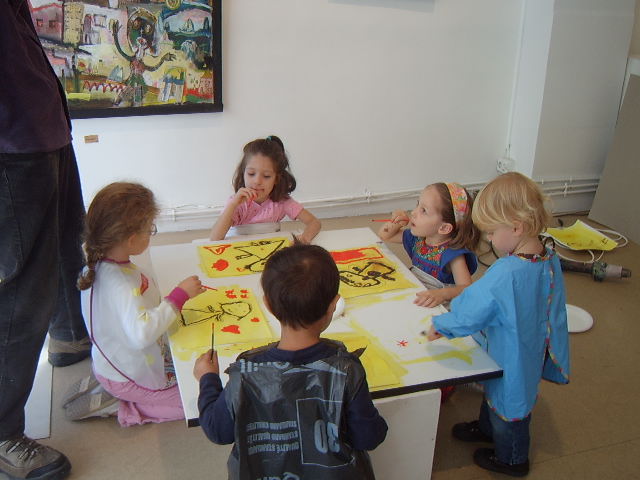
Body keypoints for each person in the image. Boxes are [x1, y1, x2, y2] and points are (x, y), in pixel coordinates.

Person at [194, 244, 388, 479]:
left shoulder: (246, 372)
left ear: (268, 304)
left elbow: (217, 430)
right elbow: (369, 437)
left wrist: (207, 378)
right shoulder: (347, 369)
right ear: (334, 305)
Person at [425, 172, 570, 477]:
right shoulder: (548, 258)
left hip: (511, 353)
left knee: (510, 409)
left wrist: (444, 323)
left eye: (491, 232)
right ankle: (487, 428)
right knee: (496, 391)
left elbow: (473, 308)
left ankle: (512, 459)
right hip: (527, 347)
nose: (488, 240)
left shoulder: (506, 272)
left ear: (516, 227)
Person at [1, 2, 90, 478]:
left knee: (67, 245)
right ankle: (2, 434)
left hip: (42, 129)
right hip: (11, 144)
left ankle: (70, 336)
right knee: (20, 292)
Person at [76, 182, 205, 426]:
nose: (151, 233)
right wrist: (178, 297)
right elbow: (141, 334)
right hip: (127, 376)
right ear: (132, 240)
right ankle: (124, 406)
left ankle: (109, 386)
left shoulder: (97, 265)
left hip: (113, 362)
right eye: (150, 229)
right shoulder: (122, 286)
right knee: (198, 401)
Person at [378, 182, 480, 308]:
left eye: (424, 211)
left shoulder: (453, 254)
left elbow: (467, 289)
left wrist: (442, 294)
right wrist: (396, 222)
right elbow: (385, 235)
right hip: (416, 299)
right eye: (417, 205)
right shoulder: (418, 239)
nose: (413, 212)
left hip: (438, 309)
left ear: (444, 228)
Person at [209, 135, 321, 243]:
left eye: (266, 176)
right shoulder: (236, 202)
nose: (257, 181)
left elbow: (314, 222)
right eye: (251, 173)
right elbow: (215, 238)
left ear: (276, 178)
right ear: (243, 173)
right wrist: (233, 205)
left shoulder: (282, 201)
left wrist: (305, 238)